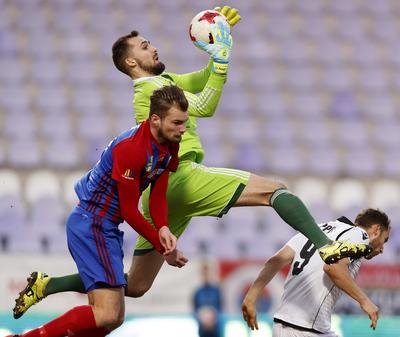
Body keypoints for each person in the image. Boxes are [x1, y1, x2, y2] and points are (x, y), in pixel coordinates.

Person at [13, 7, 371, 319]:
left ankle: (50, 284)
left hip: (163, 191)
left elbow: (203, 80)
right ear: (131, 63)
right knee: (275, 189)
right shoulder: (150, 93)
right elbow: (205, 104)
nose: (153, 46)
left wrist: (219, 45)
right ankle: (327, 245)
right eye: (143, 45)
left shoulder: (164, 82)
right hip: (182, 176)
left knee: (135, 285)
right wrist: (222, 58)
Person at [7, 85, 189, 337]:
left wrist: (164, 227)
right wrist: (163, 248)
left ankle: (47, 287)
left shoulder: (170, 143)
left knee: (114, 319)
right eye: (177, 122)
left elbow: (157, 193)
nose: (183, 129)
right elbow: (128, 210)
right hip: (92, 222)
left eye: (185, 123)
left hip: (105, 226)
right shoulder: (132, 148)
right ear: (155, 119)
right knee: (107, 312)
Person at [242, 208, 391, 337]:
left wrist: (250, 297)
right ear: (376, 230)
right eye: (385, 240)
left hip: (289, 325)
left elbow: (276, 260)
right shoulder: (360, 236)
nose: (382, 249)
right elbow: (332, 268)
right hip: (304, 329)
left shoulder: (317, 228)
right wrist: (365, 301)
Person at [193, 263, 223, 337]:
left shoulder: (217, 291)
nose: (206, 276)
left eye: (207, 273)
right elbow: (195, 310)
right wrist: (202, 319)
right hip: (202, 329)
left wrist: (213, 319)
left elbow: (221, 308)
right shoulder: (197, 292)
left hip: (215, 329)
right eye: (204, 274)